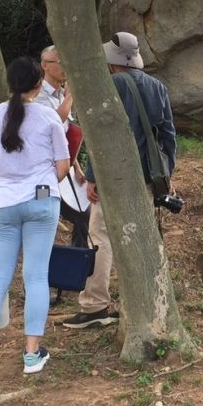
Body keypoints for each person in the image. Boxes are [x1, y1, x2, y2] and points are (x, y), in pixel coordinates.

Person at [63, 32, 176, 329]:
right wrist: (167, 175)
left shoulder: (108, 87)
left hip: (113, 177)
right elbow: (168, 136)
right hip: (148, 176)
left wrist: (93, 176)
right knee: (142, 236)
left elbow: (99, 134)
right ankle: (145, 301)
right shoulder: (158, 88)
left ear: (112, 60)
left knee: (100, 237)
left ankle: (94, 305)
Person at [0, 57, 71, 381]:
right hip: (41, 199)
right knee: (36, 277)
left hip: (4, 204)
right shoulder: (49, 118)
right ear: (39, 83)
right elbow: (63, 166)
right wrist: (41, 185)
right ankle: (31, 354)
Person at [36, 45, 90, 252]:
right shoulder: (38, 94)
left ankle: (77, 266)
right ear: (45, 66)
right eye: (59, 62)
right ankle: (41, 264)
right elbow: (54, 123)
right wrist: (70, 97)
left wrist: (75, 164)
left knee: (83, 214)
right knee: (42, 215)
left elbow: (64, 136)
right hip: (42, 173)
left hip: (62, 168)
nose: (63, 67)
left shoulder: (61, 94)